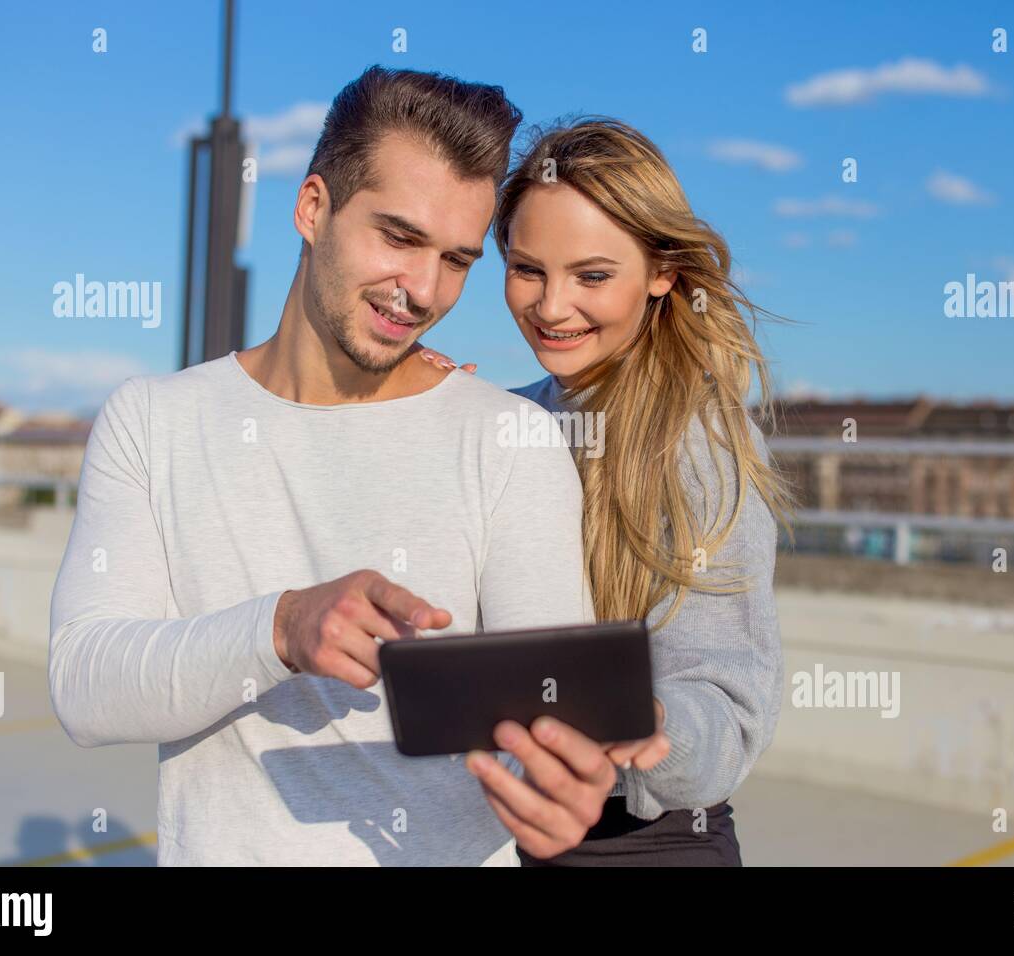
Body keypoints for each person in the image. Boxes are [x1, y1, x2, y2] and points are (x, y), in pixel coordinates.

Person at [47, 67, 619, 866]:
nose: (422, 290)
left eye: (456, 259)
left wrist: (561, 785)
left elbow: (548, 712)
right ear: (313, 208)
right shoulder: (152, 420)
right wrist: (281, 627)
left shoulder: (508, 440)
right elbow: (85, 687)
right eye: (399, 237)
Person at [421, 118, 792, 865]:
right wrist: (431, 431)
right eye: (527, 270)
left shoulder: (702, 442)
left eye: (592, 276)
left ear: (663, 272)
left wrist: (645, 721)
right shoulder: (510, 416)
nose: (553, 307)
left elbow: (730, 707)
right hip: (508, 825)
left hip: (642, 842)